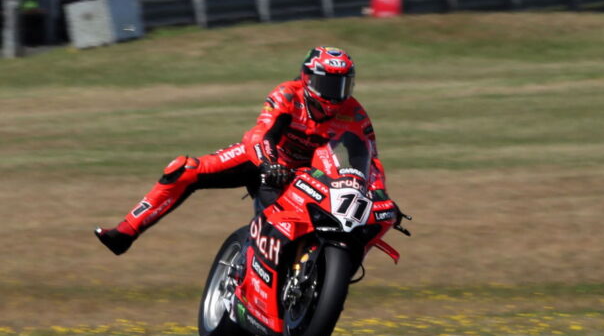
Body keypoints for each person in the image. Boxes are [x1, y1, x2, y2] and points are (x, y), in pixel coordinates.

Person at [95, 46, 396, 255]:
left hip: (310, 175)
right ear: (307, 78)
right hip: (264, 159)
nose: (334, 94)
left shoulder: (354, 113)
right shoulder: (286, 95)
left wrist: (378, 193)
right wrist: (268, 163)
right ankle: (125, 233)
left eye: (342, 85)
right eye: (326, 84)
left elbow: (369, 160)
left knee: (305, 225)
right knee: (184, 169)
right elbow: (262, 134)